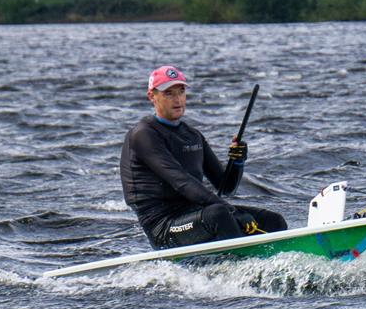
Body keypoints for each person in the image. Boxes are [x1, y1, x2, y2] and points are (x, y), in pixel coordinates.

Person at [120, 65, 287, 249]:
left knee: (273, 221)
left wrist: (237, 160)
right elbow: (182, 182)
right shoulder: (144, 135)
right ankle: (245, 267)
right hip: (163, 226)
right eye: (169, 93)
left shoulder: (192, 135)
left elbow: (225, 187)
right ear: (152, 96)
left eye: (181, 91)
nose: (177, 99)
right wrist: (233, 211)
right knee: (219, 215)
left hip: (194, 214)